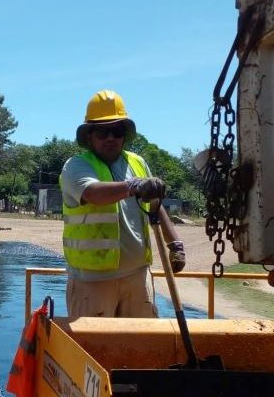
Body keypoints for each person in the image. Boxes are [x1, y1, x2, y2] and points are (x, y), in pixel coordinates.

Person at [60, 89, 186, 318]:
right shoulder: (75, 166)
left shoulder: (137, 163)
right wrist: (133, 186)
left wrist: (175, 244)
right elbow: (93, 194)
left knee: (141, 349)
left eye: (116, 131)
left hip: (137, 277)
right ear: (89, 136)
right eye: (102, 131)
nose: (110, 137)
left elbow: (156, 206)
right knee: (92, 352)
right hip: (92, 283)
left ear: (124, 135)